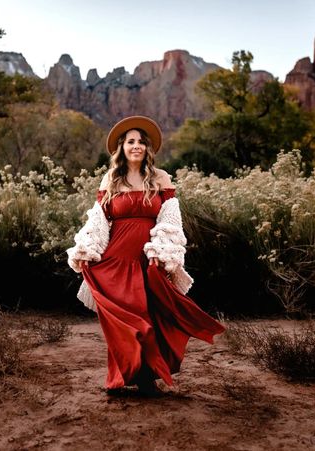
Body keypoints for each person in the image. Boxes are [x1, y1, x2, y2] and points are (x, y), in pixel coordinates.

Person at [66, 115, 225, 396]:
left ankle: (147, 376)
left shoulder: (161, 178)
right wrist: (86, 249)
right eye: (130, 141)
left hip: (147, 260)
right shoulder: (111, 179)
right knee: (126, 323)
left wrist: (162, 253)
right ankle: (123, 377)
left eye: (141, 142)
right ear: (122, 148)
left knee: (149, 318)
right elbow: (98, 220)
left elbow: (170, 220)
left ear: (147, 148)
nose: (136, 146)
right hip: (116, 261)